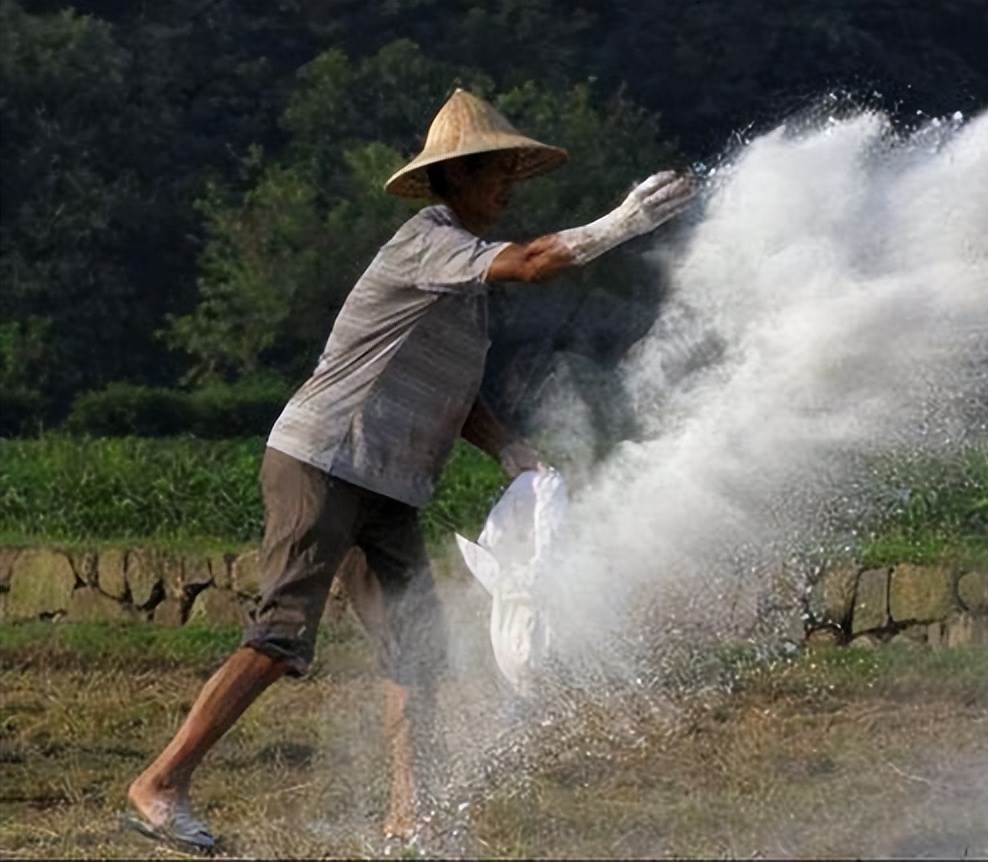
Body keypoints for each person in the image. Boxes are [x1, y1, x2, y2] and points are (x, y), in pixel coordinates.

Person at [122, 88, 696, 853]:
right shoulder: (428, 240)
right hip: (326, 458)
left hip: (390, 483)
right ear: (451, 178)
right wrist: (623, 222)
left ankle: (408, 820)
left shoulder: (465, 286)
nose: (506, 185)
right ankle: (161, 783)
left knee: (418, 651)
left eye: (511, 172)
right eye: (491, 170)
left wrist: (510, 451)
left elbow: (455, 394)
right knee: (282, 635)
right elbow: (533, 263)